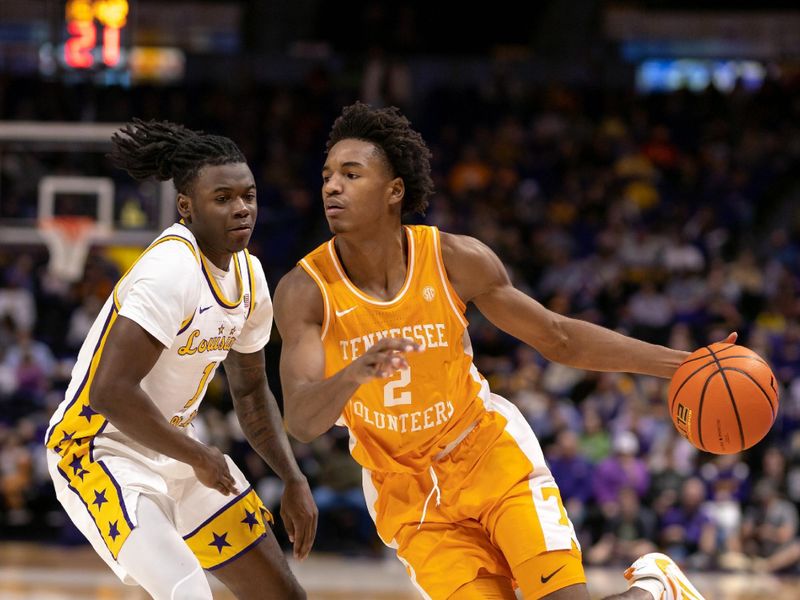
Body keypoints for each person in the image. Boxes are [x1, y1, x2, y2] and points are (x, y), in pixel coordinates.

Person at [274, 102, 728, 599]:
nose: (332, 186)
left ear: (394, 191)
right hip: (408, 495)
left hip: (488, 456)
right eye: (327, 175)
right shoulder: (306, 290)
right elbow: (300, 419)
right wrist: (352, 375)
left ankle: (657, 586)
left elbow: (558, 336)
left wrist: (682, 363)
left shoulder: (453, 259)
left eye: (351, 174)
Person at [44, 120, 316, 600]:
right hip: (97, 448)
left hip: (176, 447)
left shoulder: (250, 277)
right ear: (186, 207)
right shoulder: (170, 270)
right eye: (224, 198)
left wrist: (291, 477)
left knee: (283, 594)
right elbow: (110, 392)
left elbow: (252, 393)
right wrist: (198, 454)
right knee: (187, 591)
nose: (242, 209)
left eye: (248, 196)